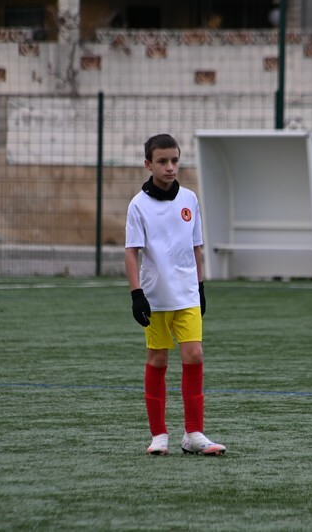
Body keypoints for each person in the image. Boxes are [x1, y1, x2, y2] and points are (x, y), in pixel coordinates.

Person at [124, 133, 226, 456]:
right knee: (157, 359)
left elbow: (196, 247)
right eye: (162, 161)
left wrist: (200, 286)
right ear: (148, 164)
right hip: (155, 297)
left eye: (175, 161)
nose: (170, 167)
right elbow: (131, 252)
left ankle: (193, 434)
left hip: (187, 295)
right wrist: (136, 294)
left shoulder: (190, 200)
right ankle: (159, 435)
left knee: (194, 355)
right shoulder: (138, 205)